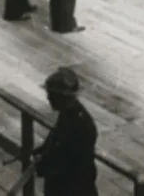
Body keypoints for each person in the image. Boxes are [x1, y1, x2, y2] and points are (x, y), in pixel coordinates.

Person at [34, 68, 98, 196]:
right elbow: (57, 140)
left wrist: (44, 166)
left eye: (52, 95)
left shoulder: (83, 126)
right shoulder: (67, 114)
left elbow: (73, 163)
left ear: (63, 98)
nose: (48, 98)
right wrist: (43, 150)